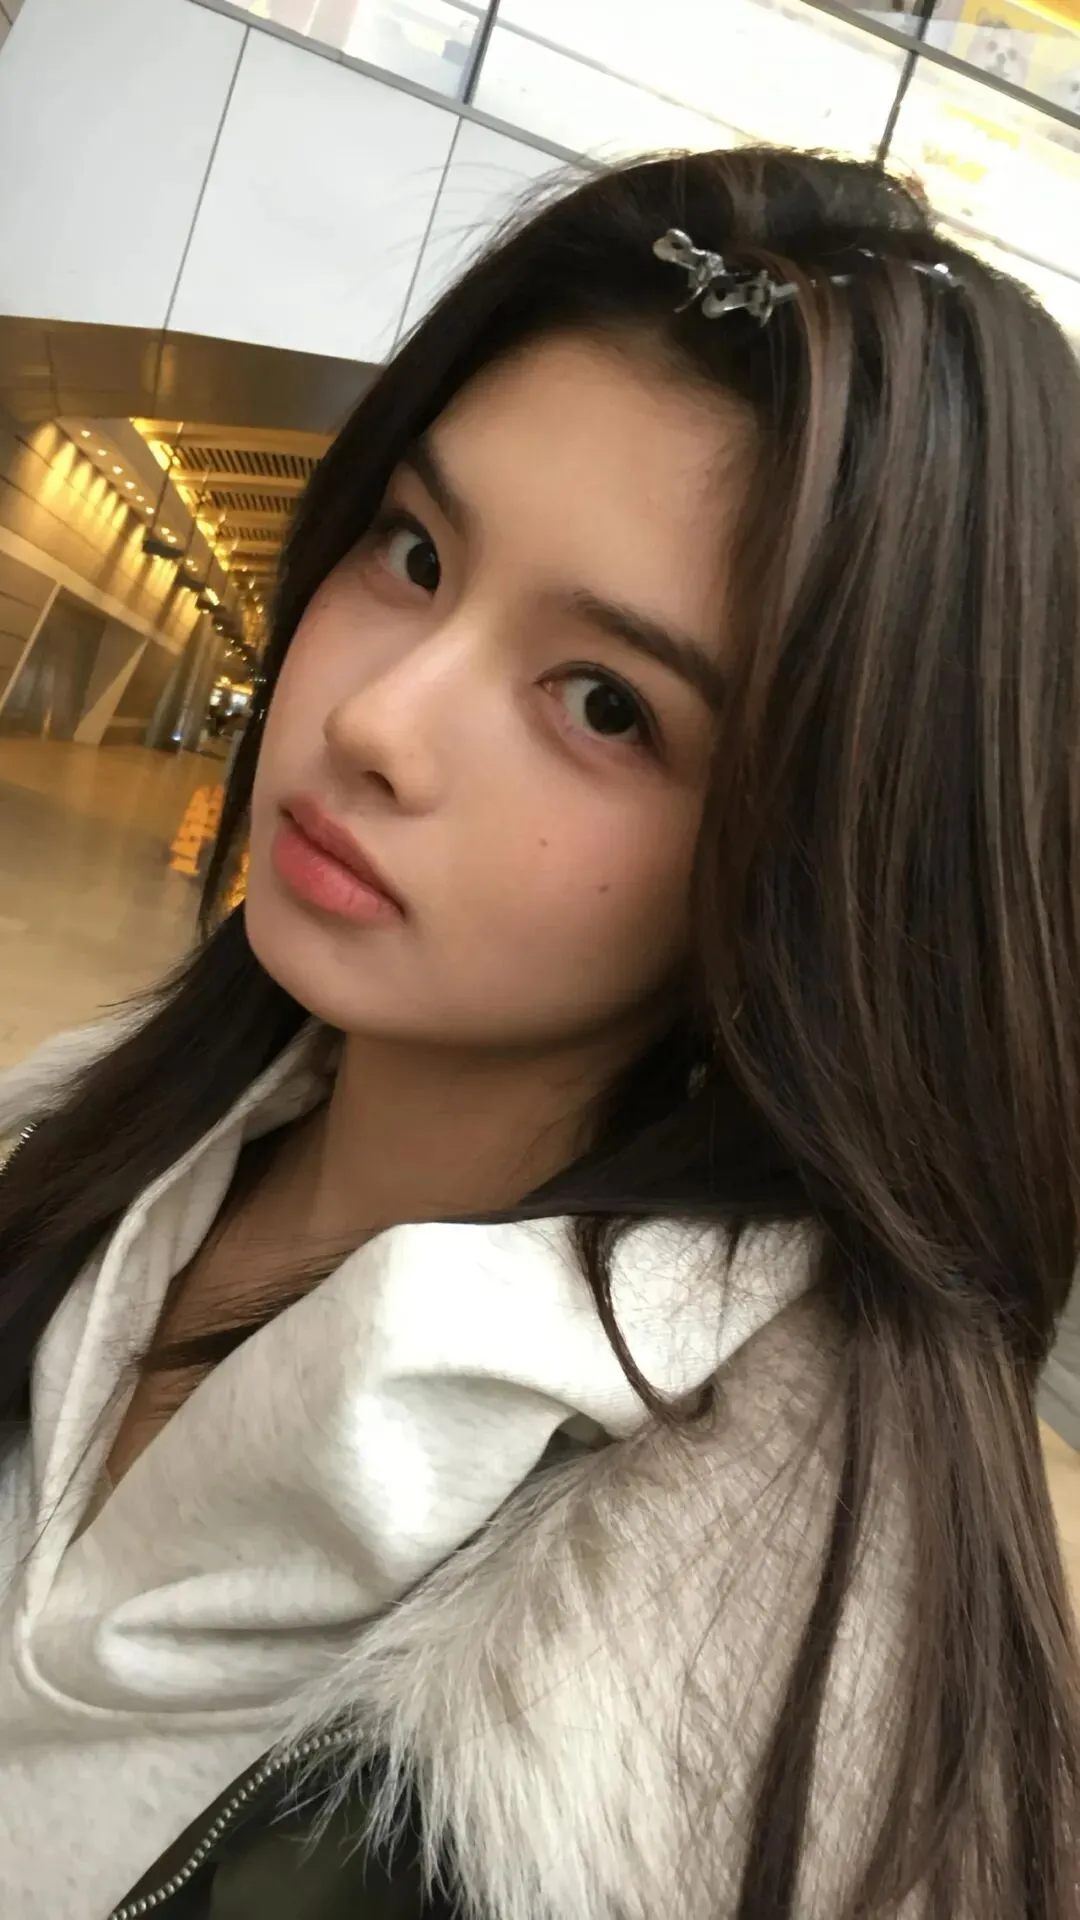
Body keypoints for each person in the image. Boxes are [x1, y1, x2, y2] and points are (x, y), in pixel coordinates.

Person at [0, 146, 1078, 1920]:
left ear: (825, 869)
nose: (379, 719)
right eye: (414, 552)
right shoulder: (90, 1144)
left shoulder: (740, 1745)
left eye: (603, 704)